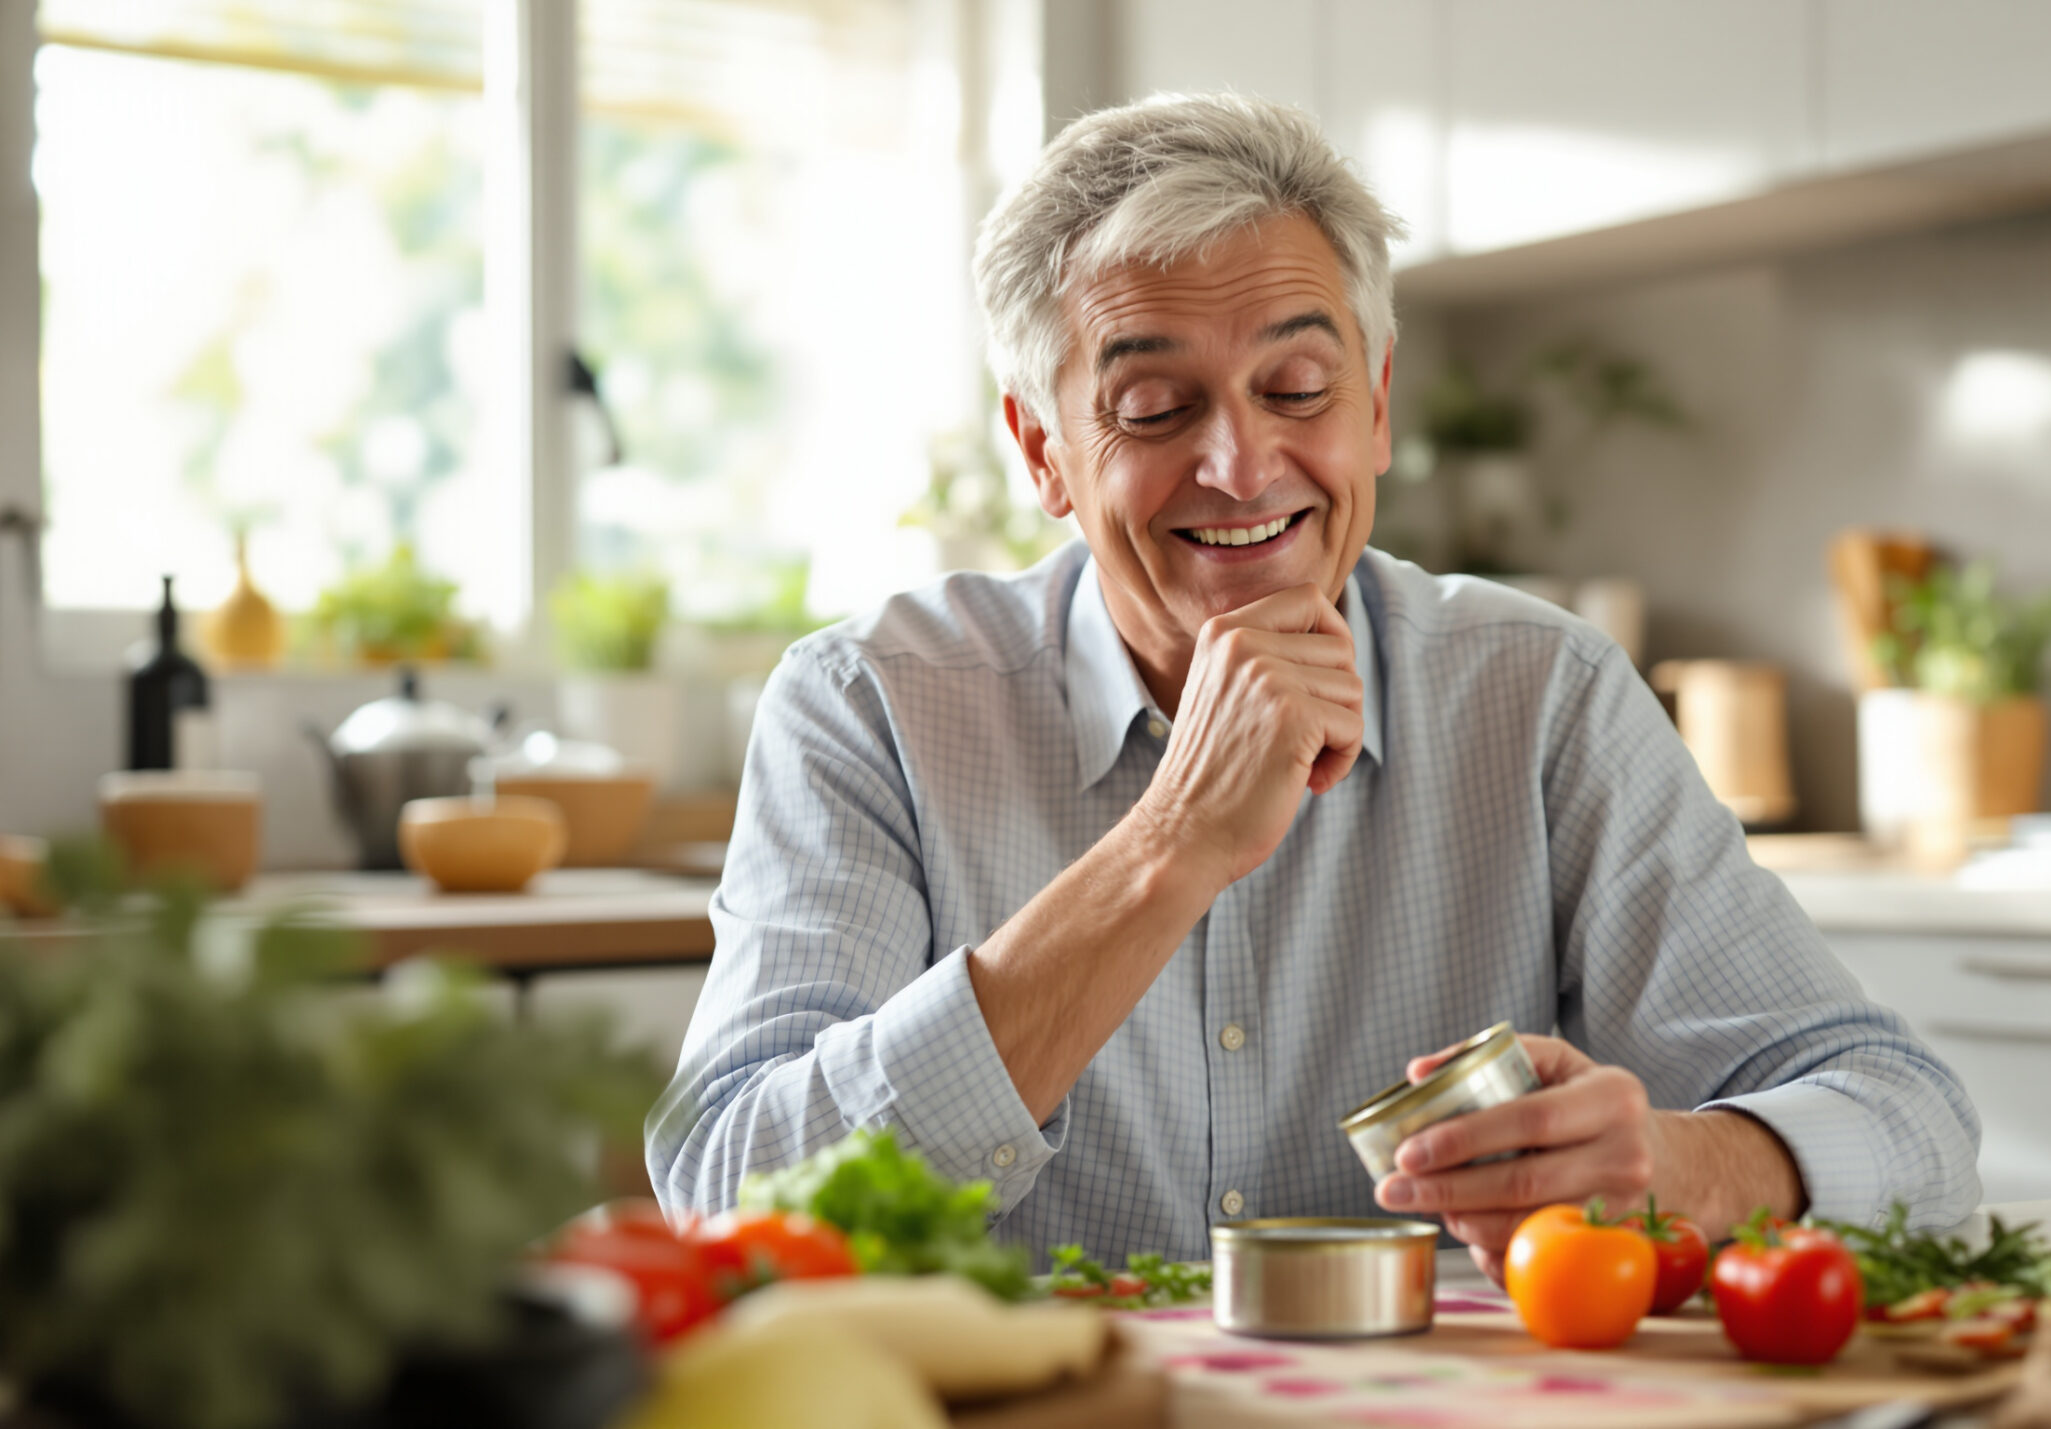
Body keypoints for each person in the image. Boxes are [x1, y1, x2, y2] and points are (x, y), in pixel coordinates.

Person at [648, 93, 1980, 1280]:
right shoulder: (867, 704)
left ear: (1380, 403)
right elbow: (729, 1189)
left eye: (1297, 385)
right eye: (1156, 407)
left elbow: (1907, 1114)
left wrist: (1679, 1169)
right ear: (1043, 452)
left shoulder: (1541, 693)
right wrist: (1168, 846)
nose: (1243, 463)